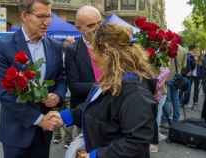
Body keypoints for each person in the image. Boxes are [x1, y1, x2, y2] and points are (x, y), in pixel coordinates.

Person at [52, 23, 157, 158]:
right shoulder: (112, 77)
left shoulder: (134, 90)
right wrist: (66, 117)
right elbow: (95, 108)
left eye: (93, 50)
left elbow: (136, 142)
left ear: (107, 52)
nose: (92, 56)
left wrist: (96, 155)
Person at [0, 0, 66, 157]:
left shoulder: (55, 45)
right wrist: (39, 120)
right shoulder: (4, 46)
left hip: (44, 135)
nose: (47, 22)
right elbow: (4, 93)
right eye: (41, 16)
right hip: (16, 133)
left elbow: (61, 77)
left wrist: (57, 96)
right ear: (24, 16)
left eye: (49, 16)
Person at [63, 5, 102, 149]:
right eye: (92, 25)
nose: (98, 27)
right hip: (86, 115)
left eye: (100, 22)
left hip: (112, 116)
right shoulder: (72, 50)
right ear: (79, 28)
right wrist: (104, 86)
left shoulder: (111, 46)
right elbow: (74, 87)